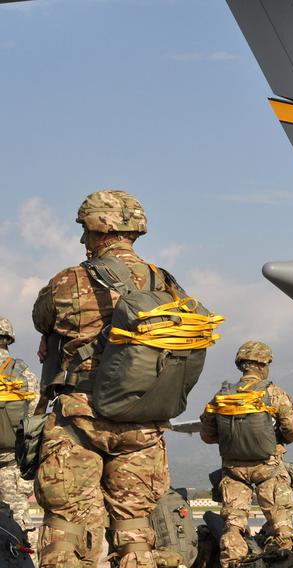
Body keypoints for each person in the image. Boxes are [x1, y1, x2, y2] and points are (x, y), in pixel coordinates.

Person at [31, 190, 179, 567]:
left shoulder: (69, 280)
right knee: (135, 532)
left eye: (86, 230)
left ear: (101, 228)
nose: (83, 240)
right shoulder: (165, 285)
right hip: (142, 425)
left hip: (80, 417)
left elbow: (41, 318)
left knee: (66, 530)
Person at [200, 341, 293, 566]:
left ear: (241, 365)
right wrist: (277, 440)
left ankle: (232, 562)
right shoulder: (274, 393)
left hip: (233, 470)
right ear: (264, 364)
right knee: (281, 524)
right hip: (269, 467)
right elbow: (292, 430)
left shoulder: (222, 395)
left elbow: (207, 435)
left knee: (233, 525)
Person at [0, 317, 39, 533]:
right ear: (8, 339)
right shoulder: (25, 375)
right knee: (19, 522)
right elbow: (33, 417)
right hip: (12, 463)